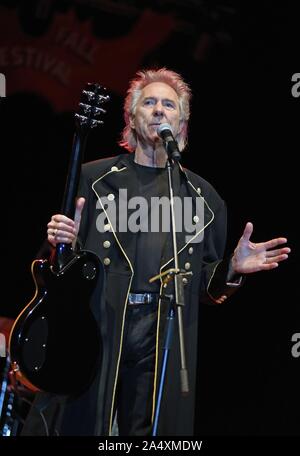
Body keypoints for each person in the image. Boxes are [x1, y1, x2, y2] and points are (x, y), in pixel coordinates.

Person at [21, 68, 290, 436]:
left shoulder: (203, 199)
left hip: (160, 334)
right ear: (132, 117)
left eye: (169, 104)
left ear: (182, 124)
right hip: (98, 325)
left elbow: (204, 286)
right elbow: (61, 268)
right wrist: (62, 240)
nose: (159, 110)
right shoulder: (94, 178)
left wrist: (233, 268)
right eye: (149, 102)